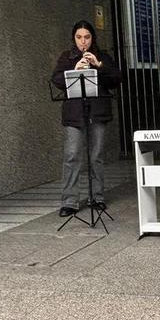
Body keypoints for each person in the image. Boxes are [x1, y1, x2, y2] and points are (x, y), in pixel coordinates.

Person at [51, 20, 121, 217]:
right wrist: (75, 69)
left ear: (93, 38)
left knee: (96, 156)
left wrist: (98, 66)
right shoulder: (67, 57)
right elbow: (56, 80)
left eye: (87, 37)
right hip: (74, 114)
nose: (83, 42)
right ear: (74, 38)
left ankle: (97, 197)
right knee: (72, 155)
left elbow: (116, 80)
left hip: (97, 112)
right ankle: (69, 201)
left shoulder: (103, 56)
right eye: (79, 37)